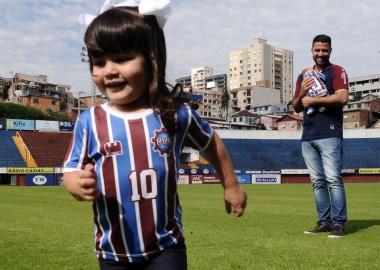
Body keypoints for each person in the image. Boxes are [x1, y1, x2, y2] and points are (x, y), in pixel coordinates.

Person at [63, 1, 247, 269]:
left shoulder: (175, 113)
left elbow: (211, 143)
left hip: (166, 248)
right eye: (99, 61)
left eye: (123, 58)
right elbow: (70, 170)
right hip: (113, 254)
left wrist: (231, 185)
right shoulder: (90, 121)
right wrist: (76, 184)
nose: (109, 70)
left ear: (152, 58)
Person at [292, 34, 349, 238]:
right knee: (317, 181)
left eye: (325, 50)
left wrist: (314, 101)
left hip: (329, 133)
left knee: (333, 179)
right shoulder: (304, 74)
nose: (321, 54)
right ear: (311, 51)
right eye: (317, 50)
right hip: (308, 135)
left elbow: (343, 97)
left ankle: (339, 224)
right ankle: (324, 222)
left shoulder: (337, 71)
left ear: (330, 51)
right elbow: (296, 105)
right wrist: (302, 94)